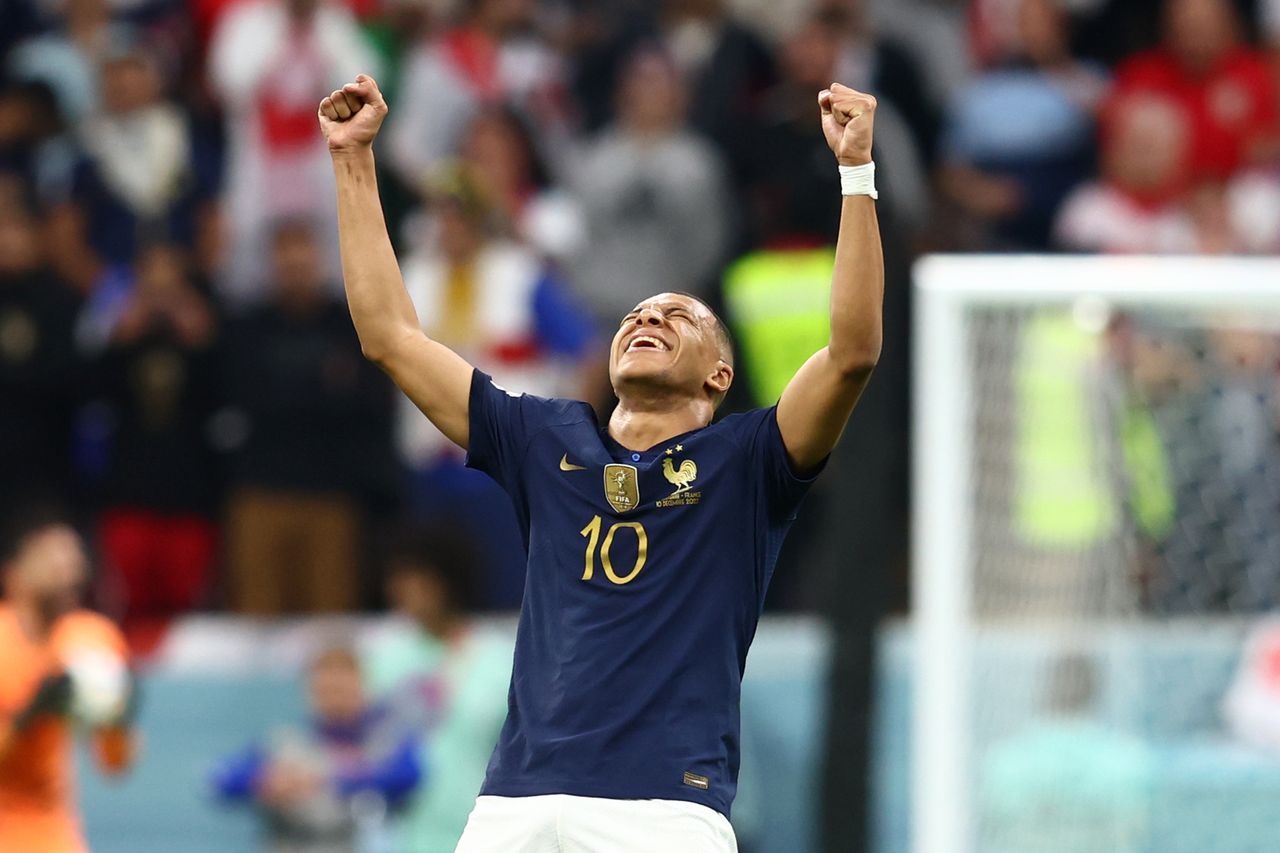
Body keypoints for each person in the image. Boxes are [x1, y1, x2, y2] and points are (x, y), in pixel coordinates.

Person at [318, 66, 882, 851]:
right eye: (636, 313)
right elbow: (390, 337)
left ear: (720, 374)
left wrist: (857, 173)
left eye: (677, 315)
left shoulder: (750, 460)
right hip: (511, 806)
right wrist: (352, 158)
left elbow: (852, 353)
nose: (648, 315)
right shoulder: (545, 438)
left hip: (661, 811)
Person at [222, 218, 397, 615]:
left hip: (333, 496)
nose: (295, 266)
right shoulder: (246, 328)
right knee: (257, 620)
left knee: (331, 621)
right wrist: (322, 390)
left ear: (321, 261)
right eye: (285, 257)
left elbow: (368, 403)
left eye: (303, 256)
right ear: (271, 264)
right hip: (260, 494)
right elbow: (241, 399)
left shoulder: (351, 325)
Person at [364, 525, 513, 852]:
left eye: (416, 578)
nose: (402, 589)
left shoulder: (500, 661)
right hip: (399, 836)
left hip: (481, 831)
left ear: (448, 581)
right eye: (397, 578)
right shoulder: (382, 658)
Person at [0, 507, 138, 853]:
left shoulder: (91, 639)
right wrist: (26, 717)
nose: (67, 569)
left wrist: (118, 721)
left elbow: (114, 765)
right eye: (51, 557)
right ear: (14, 573)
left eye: (73, 560)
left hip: (52, 835)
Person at [211, 646, 421, 853]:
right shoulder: (287, 744)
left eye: (341, 690)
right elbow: (222, 779)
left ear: (362, 687)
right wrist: (266, 781)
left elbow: (409, 774)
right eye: (325, 690)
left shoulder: (381, 743)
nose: (334, 699)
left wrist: (328, 776)